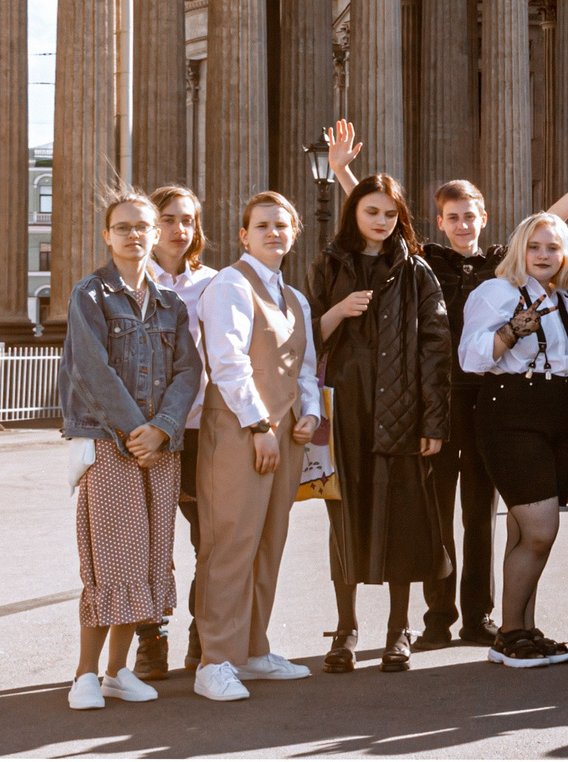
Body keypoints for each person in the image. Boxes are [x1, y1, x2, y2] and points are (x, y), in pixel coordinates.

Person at [379, 129, 568, 652]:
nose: (462, 224)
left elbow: (547, 227)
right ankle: (439, 618)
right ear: (440, 221)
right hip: (452, 399)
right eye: (452, 216)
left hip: (497, 404)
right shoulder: (442, 266)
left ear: (483, 218)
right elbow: (387, 225)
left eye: (469, 215)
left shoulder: (519, 270)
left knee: (485, 517)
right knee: (440, 513)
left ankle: (490, 619)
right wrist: (344, 174)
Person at [59, 192, 203, 710]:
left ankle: (118, 671)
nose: (134, 235)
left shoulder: (172, 304)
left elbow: (190, 371)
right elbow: (90, 370)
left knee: (145, 560)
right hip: (109, 443)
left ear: (155, 233)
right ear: (107, 235)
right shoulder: (90, 295)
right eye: (123, 227)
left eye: (143, 226)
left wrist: (162, 428)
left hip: (159, 447)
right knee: (111, 561)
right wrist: (136, 430)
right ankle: (84, 675)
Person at [308, 173, 454, 674]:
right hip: (346, 409)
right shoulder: (330, 265)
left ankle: (399, 629)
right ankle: (346, 630)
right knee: (343, 521)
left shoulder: (418, 272)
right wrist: (338, 311)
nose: (381, 222)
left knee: (403, 522)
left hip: (403, 409)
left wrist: (433, 420)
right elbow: (303, 340)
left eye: (390, 214)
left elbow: (436, 350)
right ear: (354, 214)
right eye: (372, 212)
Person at [191, 192, 324, 703]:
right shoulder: (230, 284)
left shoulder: (296, 298)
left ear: (293, 234)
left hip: (284, 434)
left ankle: (252, 650)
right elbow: (227, 363)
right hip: (242, 433)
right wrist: (258, 426)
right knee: (230, 544)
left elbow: (305, 367)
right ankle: (215, 661)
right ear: (244, 235)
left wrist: (309, 413)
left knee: (269, 543)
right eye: (262, 225)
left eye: (282, 225)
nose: (273, 232)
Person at [458, 210, 568, 668]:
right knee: (540, 530)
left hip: (564, 414)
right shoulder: (497, 292)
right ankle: (510, 632)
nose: (542, 255)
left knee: (524, 530)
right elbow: (471, 358)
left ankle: (525, 631)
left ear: (565, 255)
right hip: (513, 413)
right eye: (534, 246)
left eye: (552, 247)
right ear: (519, 249)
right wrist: (511, 330)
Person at [127, 184, 216, 682]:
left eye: (188, 219)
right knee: (148, 540)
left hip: (203, 429)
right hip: (148, 432)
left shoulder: (215, 283)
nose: (179, 230)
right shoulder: (130, 285)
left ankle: (203, 632)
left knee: (210, 541)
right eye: (168, 219)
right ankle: (150, 637)